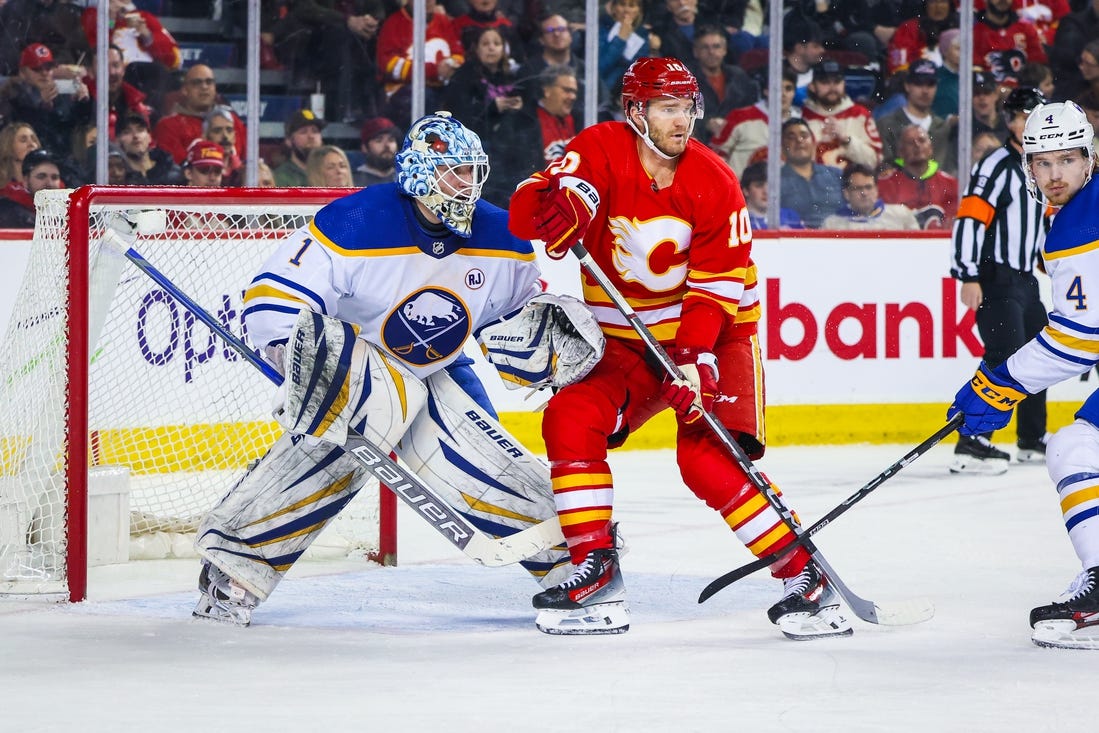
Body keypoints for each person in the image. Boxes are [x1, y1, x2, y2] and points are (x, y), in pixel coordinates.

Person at [507, 57, 852, 639]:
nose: (683, 120)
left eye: (688, 107)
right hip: (624, 343)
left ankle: (806, 579)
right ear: (636, 111)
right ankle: (596, 569)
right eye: (669, 108)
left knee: (706, 462)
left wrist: (695, 361)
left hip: (716, 335)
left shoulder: (714, 180)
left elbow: (715, 289)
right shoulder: (597, 149)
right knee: (570, 417)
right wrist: (551, 205)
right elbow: (526, 213)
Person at [192, 111, 570, 626]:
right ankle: (232, 572)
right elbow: (272, 298)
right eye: (454, 172)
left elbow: (512, 321)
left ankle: (571, 563)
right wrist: (294, 360)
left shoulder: (502, 235)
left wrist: (543, 343)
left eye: (472, 172)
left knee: (490, 462)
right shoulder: (353, 222)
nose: (467, 185)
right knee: (339, 446)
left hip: (442, 368)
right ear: (418, 172)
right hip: (360, 365)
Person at [946, 101, 1099, 650]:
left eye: (1067, 160)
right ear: (1027, 166)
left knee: (1075, 450)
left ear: (1089, 159)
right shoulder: (1082, 209)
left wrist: (996, 385)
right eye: (1043, 162)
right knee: (1075, 448)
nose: (1055, 173)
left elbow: (1079, 339)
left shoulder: (1081, 223)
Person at [949, 87, 1051, 474]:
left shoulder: (1038, 167)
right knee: (1003, 356)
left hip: (1025, 281)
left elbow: (1039, 223)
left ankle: (1030, 438)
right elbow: (971, 219)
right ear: (1013, 121)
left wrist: (1045, 262)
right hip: (996, 279)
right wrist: (968, 274)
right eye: (1026, 116)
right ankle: (972, 441)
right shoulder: (995, 164)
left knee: (1040, 358)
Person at [376, 0, 464, 131]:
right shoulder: (394, 23)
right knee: (426, 98)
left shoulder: (443, 21)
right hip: (402, 89)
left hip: (441, 87)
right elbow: (388, 64)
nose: (427, 2)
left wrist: (450, 65)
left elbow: (458, 53)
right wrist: (432, 71)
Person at [0, 43, 92, 158]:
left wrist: (83, 101)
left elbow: (79, 128)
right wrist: (42, 106)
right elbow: (18, 133)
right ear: (23, 72)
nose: (44, 73)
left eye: (48, 67)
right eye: (37, 69)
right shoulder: (12, 98)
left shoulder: (62, 94)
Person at [710, 65, 799, 178]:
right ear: (766, 90)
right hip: (742, 192)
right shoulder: (740, 117)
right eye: (777, 88)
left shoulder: (802, 122)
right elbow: (716, 156)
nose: (783, 94)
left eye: (788, 88)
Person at [153, 64, 247, 166]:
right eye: (197, 83)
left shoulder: (233, 121)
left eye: (209, 82)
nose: (204, 87)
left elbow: (249, 161)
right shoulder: (168, 126)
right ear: (185, 90)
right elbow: (176, 169)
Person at [876, 59, 957, 176]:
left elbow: (949, 170)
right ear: (907, 86)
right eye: (919, 83)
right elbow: (885, 168)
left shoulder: (944, 128)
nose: (925, 91)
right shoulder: (887, 124)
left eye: (930, 84)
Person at [800, 59, 882, 171]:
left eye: (837, 81)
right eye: (825, 82)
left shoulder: (860, 115)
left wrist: (846, 139)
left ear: (844, 84)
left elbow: (875, 161)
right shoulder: (801, 117)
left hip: (852, 186)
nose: (832, 87)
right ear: (812, 86)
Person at [687, 24, 759, 145]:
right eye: (705, 47)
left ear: (724, 50)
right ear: (696, 52)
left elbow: (751, 110)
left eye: (716, 47)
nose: (711, 52)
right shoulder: (686, 79)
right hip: (701, 143)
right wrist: (707, 123)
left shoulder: (738, 76)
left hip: (737, 142)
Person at [877, 124, 959, 229]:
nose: (917, 145)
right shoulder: (885, 185)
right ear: (900, 152)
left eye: (922, 140)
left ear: (931, 148)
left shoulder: (951, 185)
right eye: (910, 142)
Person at [779, 117, 844, 229]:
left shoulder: (836, 175)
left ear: (813, 144)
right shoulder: (774, 180)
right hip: (794, 240)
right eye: (791, 137)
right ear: (782, 148)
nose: (799, 140)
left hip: (838, 237)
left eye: (804, 136)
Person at [823, 163, 919, 230]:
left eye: (868, 187)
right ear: (846, 194)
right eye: (857, 188)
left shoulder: (901, 214)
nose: (864, 193)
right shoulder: (831, 224)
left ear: (876, 190)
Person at [0, 147, 61, 227]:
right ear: (25, 181)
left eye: (54, 177)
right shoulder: (7, 212)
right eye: (41, 176)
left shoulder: (67, 214)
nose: (49, 183)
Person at [115, 110, 181, 185]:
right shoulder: (118, 177)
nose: (135, 136)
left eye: (140, 130)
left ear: (150, 137)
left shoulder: (170, 171)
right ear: (118, 140)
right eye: (127, 132)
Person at [740, 160, 805, 230]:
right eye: (759, 185)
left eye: (771, 185)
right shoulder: (738, 221)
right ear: (746, 190)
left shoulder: (790, 216)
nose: (766, 191)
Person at [273, 109, 326, 187]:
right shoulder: (280, 177)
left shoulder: (330, 172)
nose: (311, 136)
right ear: (289, 141)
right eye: (303, 132)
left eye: (315, 131)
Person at [353, 116, 401, 187]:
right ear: (365, 148)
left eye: (391, 140)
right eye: (379, 140)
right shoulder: (352, 181)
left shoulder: (406, 180)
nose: (387, 145)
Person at [202, 105, 243, 186]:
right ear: (205, 138)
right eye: (217, 131)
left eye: (229, 130)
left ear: (234, 137)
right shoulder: (198, 171)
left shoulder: (243, 171)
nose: (225, 136)